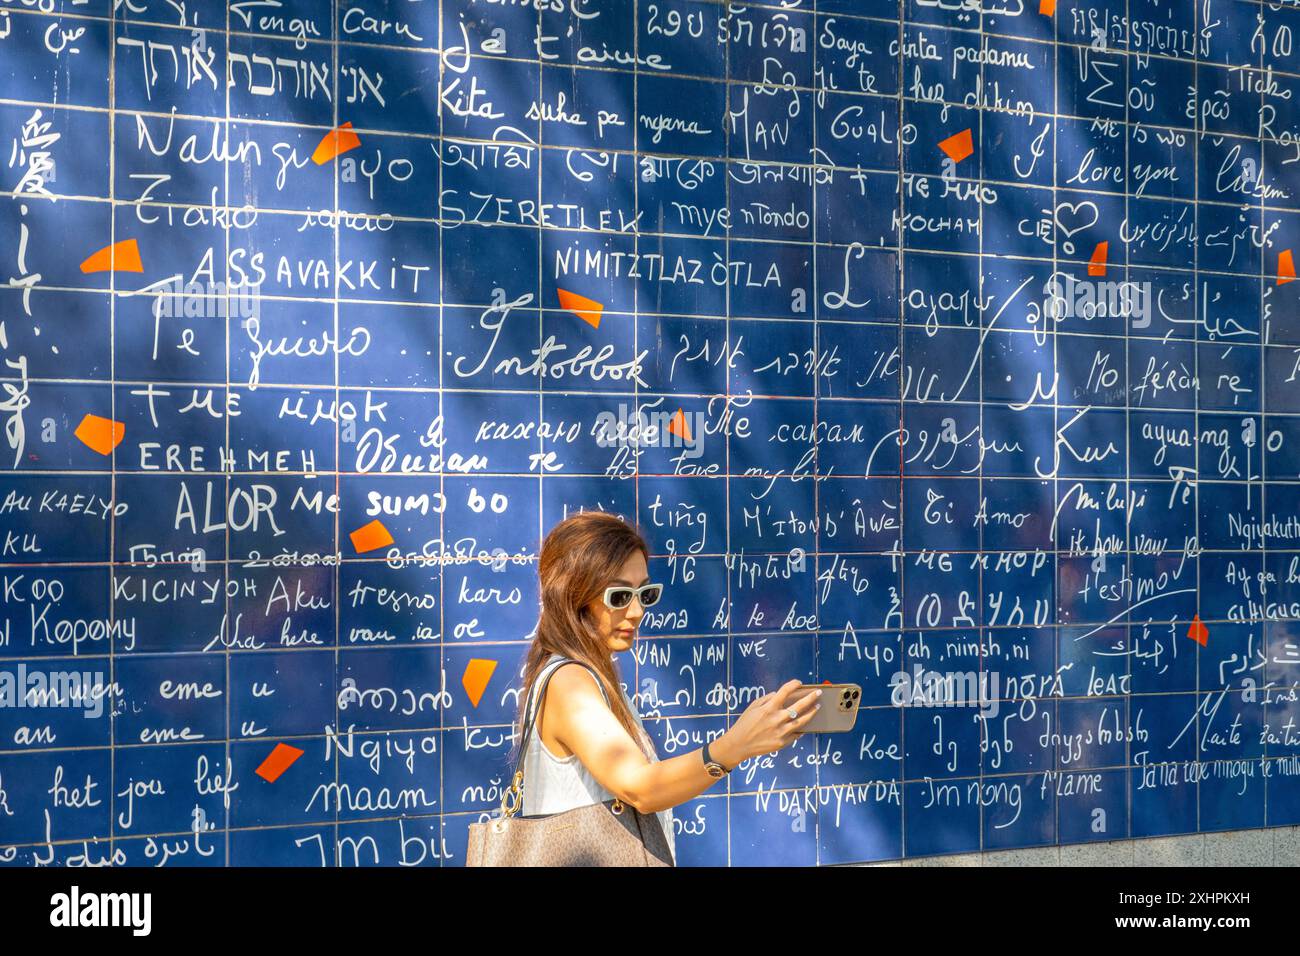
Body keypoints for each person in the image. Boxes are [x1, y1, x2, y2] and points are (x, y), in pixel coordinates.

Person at [509, 509, 821, 865]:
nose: (637, 610)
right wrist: (735, 747)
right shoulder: (570, 681)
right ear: (573, 596)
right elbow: (640, 787)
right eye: (619, 596)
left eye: (646, 594)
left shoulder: (589, 674)